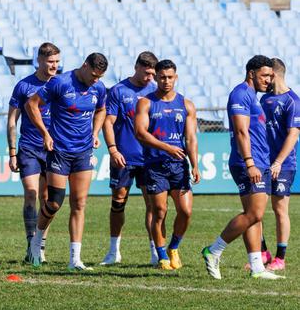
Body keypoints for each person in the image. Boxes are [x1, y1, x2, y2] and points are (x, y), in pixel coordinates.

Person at [201, 55, 283, 280]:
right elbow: (240, 131)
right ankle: (213, 250)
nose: (269, 80)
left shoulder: (253, 97)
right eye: (265, 75)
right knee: (254, 213)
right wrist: (250, 163)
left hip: (260, 161)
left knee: (255, 216)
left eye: (271, 76)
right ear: (251, 73)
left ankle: (257, 267)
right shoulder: (240, 94)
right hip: (249, 162)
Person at [25, 53, 107, 271]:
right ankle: (37, 241)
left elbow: (101, 109)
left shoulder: (98, 88)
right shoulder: (60, 83)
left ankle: (75, 259)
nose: (95, 80)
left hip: (83, 152)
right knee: (54, 203)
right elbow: (31, 105)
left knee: (79, 204)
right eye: (93, 75)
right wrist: (45, 133)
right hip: (60, 151)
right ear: (84, 66)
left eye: (99, 77)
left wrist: (96, 132)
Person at [134, 59, 200, 270]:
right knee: (159, 211)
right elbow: (140, 133)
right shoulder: (146, 102)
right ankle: (161, 255)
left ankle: (174, 247)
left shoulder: (186, 105)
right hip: (155, 165)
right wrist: (166, 147)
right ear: (156, 77)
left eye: (170, 77)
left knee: (186, 211)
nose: (166, 81)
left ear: (176, 77)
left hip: (179, 166)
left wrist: (195, 165)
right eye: (162, 77)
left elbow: (190, 138)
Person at [101, 51, 159, 266]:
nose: (150, 78)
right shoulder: (118, 90)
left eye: (153, 74)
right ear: (137, 67)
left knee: (154, 206)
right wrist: (113, 150)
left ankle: (156, 252)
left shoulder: (156, 91)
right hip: (124, 157)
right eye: (147, 73)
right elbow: (108, 122)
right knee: (118, 203)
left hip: (150, 159)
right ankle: (113, 251)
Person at [7, 42, 59, 263]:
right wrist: (11, 152)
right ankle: (31, 243)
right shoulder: (24, 86)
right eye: (50, 62)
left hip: (54, 149)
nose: (54, 66)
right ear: (39, 60)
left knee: (48, 198)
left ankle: (40, 246)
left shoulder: (62, 84)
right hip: (29, 146)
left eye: (57, 61)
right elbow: (12, 120)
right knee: (31, 192)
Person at [259, 58, 300, 271]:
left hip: (283, 164)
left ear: (273, 74)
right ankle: (263, 253)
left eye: (266, 75)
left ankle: (280, 258)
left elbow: (293, 135)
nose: (263, 79)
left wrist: (278, 162)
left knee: (279, 208)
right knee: (256, 208)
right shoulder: (263, 99)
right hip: (262, 162)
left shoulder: (293, 101)